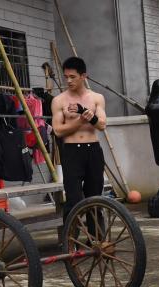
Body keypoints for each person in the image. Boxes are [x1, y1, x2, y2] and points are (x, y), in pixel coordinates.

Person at [52, 56, 107, 219]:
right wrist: (80, 120)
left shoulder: (97, 98)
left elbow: (102, 125)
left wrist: (91, 118)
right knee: (73, 200)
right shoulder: (59, 100)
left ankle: (96, 240)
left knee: (95, 199)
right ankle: (70, 243)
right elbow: (58, 131)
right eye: (66, 77)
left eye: (72, 77)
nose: (68, 81)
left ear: (84, 76)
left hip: (93, 150)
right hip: (71, 152)